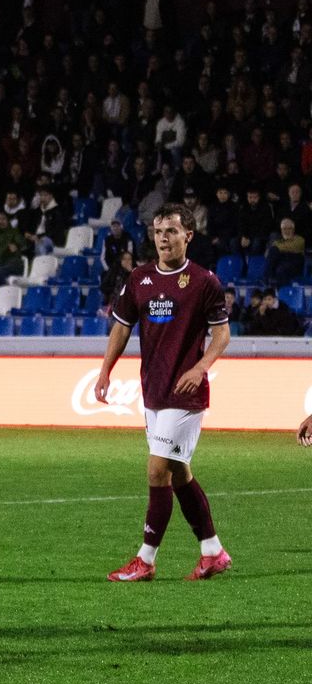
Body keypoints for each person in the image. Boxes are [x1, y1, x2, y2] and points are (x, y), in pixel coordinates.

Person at [98, 202, 232, 582]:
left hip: (186, 394)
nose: (163, 239)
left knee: (157, 471)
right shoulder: (139, 279)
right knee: (179, 475)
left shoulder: (204, 281)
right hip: (153, 390)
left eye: (171, 231)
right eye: (158, 232)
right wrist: (105, 370)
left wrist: (200, 367)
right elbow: (121, 327)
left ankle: (146, 559)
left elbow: (222, 334)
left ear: (188, 235)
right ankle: (213, 552)